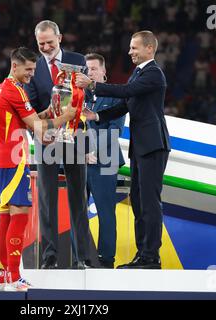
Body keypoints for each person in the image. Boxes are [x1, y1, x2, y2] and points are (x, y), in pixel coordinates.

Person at [77, 31, 170, 269]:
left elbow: (126, 93)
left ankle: (151, 257)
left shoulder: (154, 74)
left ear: (149, 48)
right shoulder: (138, 74)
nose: (130, 52)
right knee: (139, 201)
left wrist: (94, 85)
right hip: (142, 146)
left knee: (149, 202)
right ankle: (143, 255)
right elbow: (124, 106)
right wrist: (96, 114)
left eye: (134, 48)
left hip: (153, 145)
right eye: (130, 48)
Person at [0, 47, 76, 291]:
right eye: (28, 69)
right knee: (20, 214)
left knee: (6, 216)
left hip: (3, 159)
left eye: (34, 69)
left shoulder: (3, 89)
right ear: (14, 66)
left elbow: (25, 120)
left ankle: (2, 276)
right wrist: (66, 116)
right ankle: (15, 276)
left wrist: (48, 112)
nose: (31, 74)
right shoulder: (14, 91)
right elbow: (38, 128)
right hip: (13, 161)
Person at [25, 20, 93, 269]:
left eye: (49, 43)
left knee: (78, 198)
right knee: (47, 200)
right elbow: (30, 107)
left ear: (60, 38)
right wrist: (43, 129)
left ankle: (83, 257)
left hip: (74, 138)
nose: (45, 47)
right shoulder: (34, 67)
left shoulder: (78, 61)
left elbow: (88, 97)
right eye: (41, 43)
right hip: (47, 140)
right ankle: (50, 257)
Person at [84, 53, 125, 269]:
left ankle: (106, 260)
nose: (88, 72)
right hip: (79, 162)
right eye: (86, 69)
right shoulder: (76, 96)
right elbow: (69, 128)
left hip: (105, 161)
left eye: (92, 69)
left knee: (106, 212)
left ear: (103, 73)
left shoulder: (115, 96)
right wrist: (81, 153)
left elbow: (115, 129)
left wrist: (94, 151)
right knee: (76, 212)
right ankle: (81, 257)